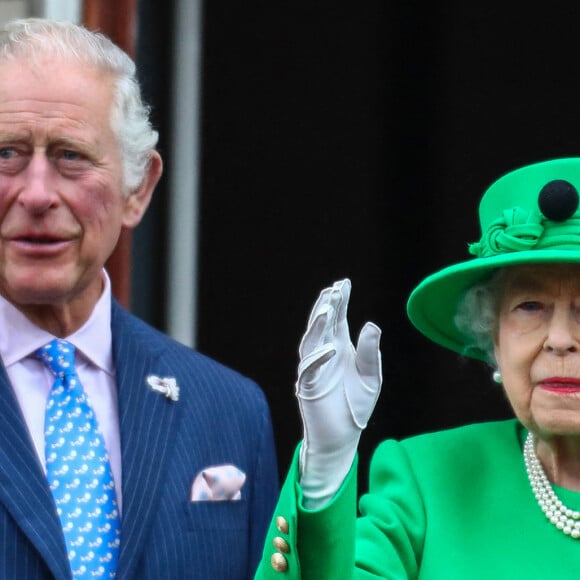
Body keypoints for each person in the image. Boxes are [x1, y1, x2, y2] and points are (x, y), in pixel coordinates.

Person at [0, 17, 278, 580]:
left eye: (70, 156)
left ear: (138, 189)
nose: (35, 193)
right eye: (6, 153)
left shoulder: (229, 412)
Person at [255, 157, 580, 578]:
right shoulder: (428, 480)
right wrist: (326, 473)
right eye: (529, 306)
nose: (558, 338)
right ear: (494, 341)